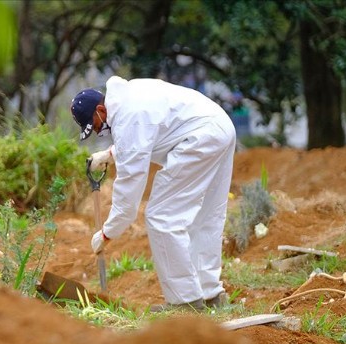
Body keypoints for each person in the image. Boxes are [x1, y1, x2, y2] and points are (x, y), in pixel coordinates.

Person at [70, 76, 236, 311]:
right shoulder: (129, 97)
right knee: (208, 216)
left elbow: (129, 188)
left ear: (100, 110)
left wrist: (107, 232)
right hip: (220, 126)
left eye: (95, 126)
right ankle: (211, 295)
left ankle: (185, 301)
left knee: (162, 216)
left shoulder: (128, 118)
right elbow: (148, 135)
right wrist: (110, 154)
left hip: (200, 137)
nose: (98, 132)